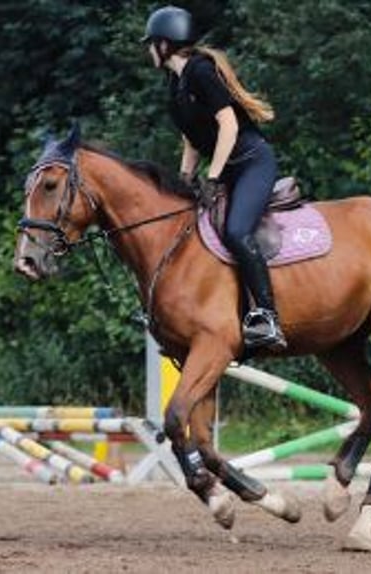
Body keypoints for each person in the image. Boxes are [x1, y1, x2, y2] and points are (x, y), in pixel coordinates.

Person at [142, 5, 287, 351]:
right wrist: (184, 179)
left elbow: (229, 125)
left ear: (165, 45)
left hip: (252, 163)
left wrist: (214, 175)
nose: (148, 50)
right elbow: (192, 138)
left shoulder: (201, 71)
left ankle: (267, 316)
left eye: (151, 44)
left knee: (237, 231)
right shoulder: (176, 83)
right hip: (227, 168)